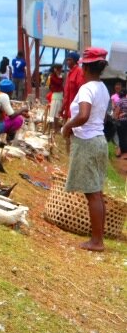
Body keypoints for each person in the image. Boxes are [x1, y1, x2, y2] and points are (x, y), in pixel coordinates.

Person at [61, 48, 111, 251]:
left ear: (85, 66)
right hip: (99, 140)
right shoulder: (103, 88)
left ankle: (97, 241)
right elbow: (102, 117)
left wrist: (67, 127)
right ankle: (98, 237)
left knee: (92, 194)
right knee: (97, 192)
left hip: (88, 142)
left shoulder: (86, 88)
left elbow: (83, 115)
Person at [61, 51, 85, 121]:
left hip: (75, 110)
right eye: (67, 60)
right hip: (68, 108)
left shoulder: (79, 72)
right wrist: (63, 107)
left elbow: (81, 91)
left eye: (69, 60)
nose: (67, 62)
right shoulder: (70, 73)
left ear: (75, 60)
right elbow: (67, 93)